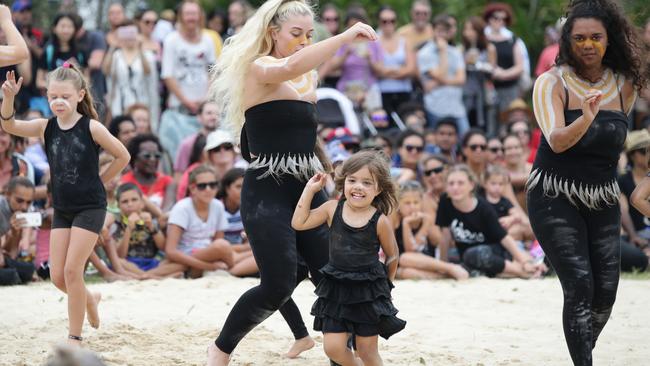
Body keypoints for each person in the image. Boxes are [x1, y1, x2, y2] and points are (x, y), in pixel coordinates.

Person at [206, 0, 377, 363]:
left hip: (309, 186)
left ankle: (339, 357)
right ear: (273, 32)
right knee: (277, 285)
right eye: (296, 34)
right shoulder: (261, 67)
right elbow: (291, 65)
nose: (303, 41)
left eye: (309, 35)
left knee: (333, 279)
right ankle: (220, 349)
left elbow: (305, 134)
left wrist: (328, 172)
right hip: (267, 192)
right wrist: (344, 37)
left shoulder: (308, 76)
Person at [526, 0, 647, 363]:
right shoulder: (552, 82)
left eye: (596, 37)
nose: (588, 45)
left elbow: (628, 133)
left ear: (610, 39)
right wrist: (588, 116)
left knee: (606, 291)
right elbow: (557, 141)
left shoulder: (625, 84)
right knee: (579, 285)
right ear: (567, 40)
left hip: (604, 195)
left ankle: (582, 350)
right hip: (553, 195)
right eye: (579, 38)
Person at [0, 65, 130, 345]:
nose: (58, 101)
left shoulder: (91, 127)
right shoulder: (45, 127)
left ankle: (75, 336)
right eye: (52, 96)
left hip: (90, 207)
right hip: (63, 208)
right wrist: (9, 98)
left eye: (65, 96)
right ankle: (89, 298)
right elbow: (9, 125)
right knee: (58, 277)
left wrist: (100, 180)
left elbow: (123, 155)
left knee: (73, 271)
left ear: (80, 95)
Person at [291, 150, 406, 365]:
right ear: (343, 182)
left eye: (367, 183)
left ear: (378, 189)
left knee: (367, 351)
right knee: (332, 348)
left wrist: (385, 287)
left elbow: (392, 255)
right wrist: (309, 190)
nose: (358, 187)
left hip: (367, 292)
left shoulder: (379, 220)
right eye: (352, 180)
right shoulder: (331, 209)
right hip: (336, 289)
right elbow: (299, 223)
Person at [438, 165, 542, 278]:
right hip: (466, 253)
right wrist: (443, 265)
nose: (455, 188)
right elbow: (445, 235)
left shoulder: (483, 208)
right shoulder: (445, 201)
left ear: (471, 185)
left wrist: (524, 261)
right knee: (455, 256)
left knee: (472, 255)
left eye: (460, 183)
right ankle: (493, 271)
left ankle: (520, 271)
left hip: (493, 251)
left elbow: (504, 237)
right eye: (451, 183)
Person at [393, 180, 469, 280]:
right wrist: (406, 225)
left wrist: (426, 224)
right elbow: (410, 249)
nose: (412, 207)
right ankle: (445, 276)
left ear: (421, 202)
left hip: (428, 262)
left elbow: (419, 249)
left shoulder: (426, 219)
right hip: (407, 265)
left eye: (416, 202)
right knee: (405, 270)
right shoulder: (399, 221)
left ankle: (450, 268)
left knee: (405, 258)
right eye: (407, 203)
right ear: (399, 205)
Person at [417, 15, 468, 136]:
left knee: (465, 139)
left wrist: (435, 83)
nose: (441, 34)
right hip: (436, 108)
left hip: (457, 108)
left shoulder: (456, 52)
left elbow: (461, 79)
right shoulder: (424, 53)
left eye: (445, 31)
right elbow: (440, 74)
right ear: (433, 30)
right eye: (439, 30)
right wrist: (443, 51)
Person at [104, 20, 160, 126]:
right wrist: (113, 46)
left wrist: (140, 48)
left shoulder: (147, 55)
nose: (129, 37)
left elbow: (149, 73)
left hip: (141, 103)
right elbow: (106, 71)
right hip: (120, 104)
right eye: (125, 32)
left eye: (132, 32)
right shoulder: (117, 55)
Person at [0, 176, 36, 285]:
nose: (24, 206)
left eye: (28, 202)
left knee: (28, 270)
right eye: (19, 200)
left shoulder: (27, 212)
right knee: (11, 274)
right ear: (8, 194)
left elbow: (12, 255)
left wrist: (15, 233)